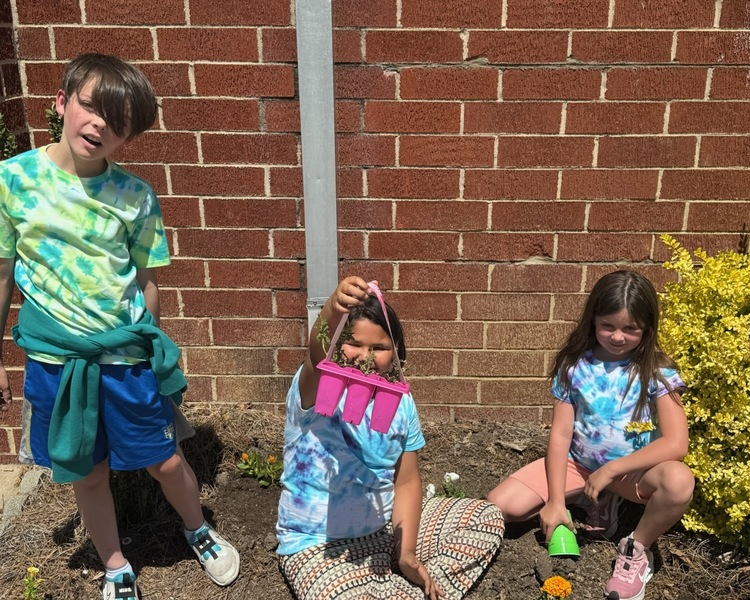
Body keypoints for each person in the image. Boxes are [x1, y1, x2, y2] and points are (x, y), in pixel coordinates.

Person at [0, 53, 239, 600]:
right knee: (87, 472)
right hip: (56, 361)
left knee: (164, 458)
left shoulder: (135, 197)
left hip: (124, 358)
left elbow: (147, 282)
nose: (100, 124)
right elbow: (3, 271)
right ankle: (114, 564)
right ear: (60, 102)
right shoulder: (11, 182)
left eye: (118, 121)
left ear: (128, 136)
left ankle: (198, 529)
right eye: (90, 105)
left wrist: (151, 354)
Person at [277, 276, 505, 599]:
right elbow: (316, 355)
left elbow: (407, 482)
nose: (366, 356)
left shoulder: (401, 403)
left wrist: (407, 552)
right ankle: (395, 591)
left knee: (486, 518)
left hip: (384, 531)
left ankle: (405, 583)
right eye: (354, 343)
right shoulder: (318, 388)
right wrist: (331, 308)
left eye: (379, 348)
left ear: (395, 349)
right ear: (336, 343)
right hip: (314, 544)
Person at [487, 270, 695, 600]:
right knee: (501, 506)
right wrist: (555, 502)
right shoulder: (575, 366)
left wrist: (611, 470)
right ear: (593, 320)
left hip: (631, 474)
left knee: (680, 481)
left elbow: (676, 443)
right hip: (579, 464)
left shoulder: (657, 370)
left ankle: (636, 548)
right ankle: (586, 497)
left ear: (647, 328)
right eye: (608, 326)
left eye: (631, 329)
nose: (617, 337)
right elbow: (560, 435)